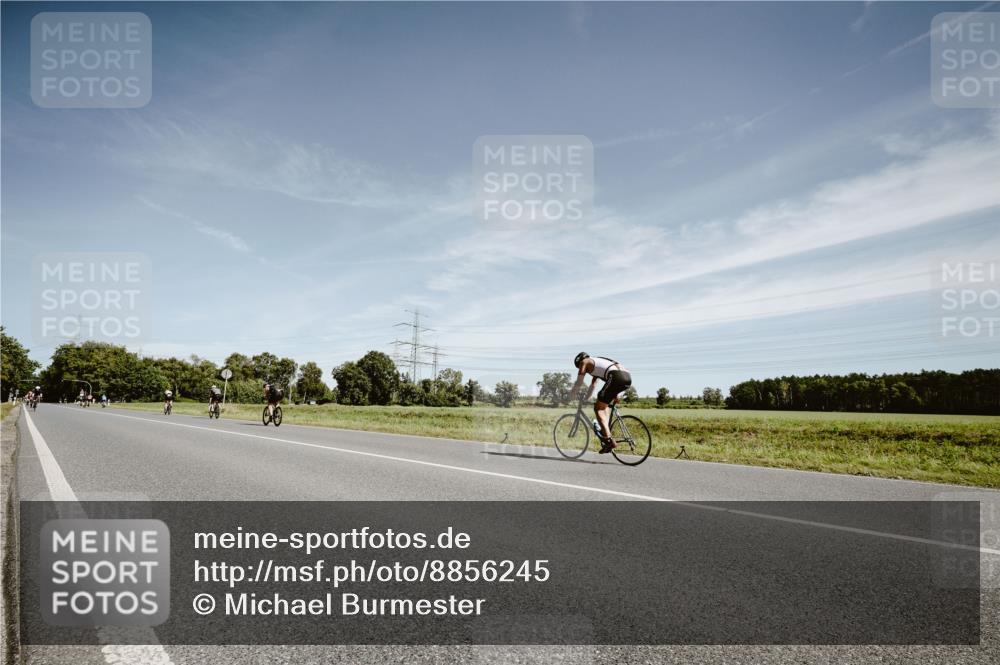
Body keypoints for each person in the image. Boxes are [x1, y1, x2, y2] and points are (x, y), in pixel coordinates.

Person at [569, 352, 633, 454]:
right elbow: (593, 385)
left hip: (616, 377)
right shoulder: (597, 363)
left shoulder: (584, 362)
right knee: (603, 404)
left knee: (598, 408)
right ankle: (605, 430)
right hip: (627, 377)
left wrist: (572, 393)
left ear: (579, 362)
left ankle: (608, 440)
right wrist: (586, 399)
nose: (583, 370)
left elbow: (579, 382)